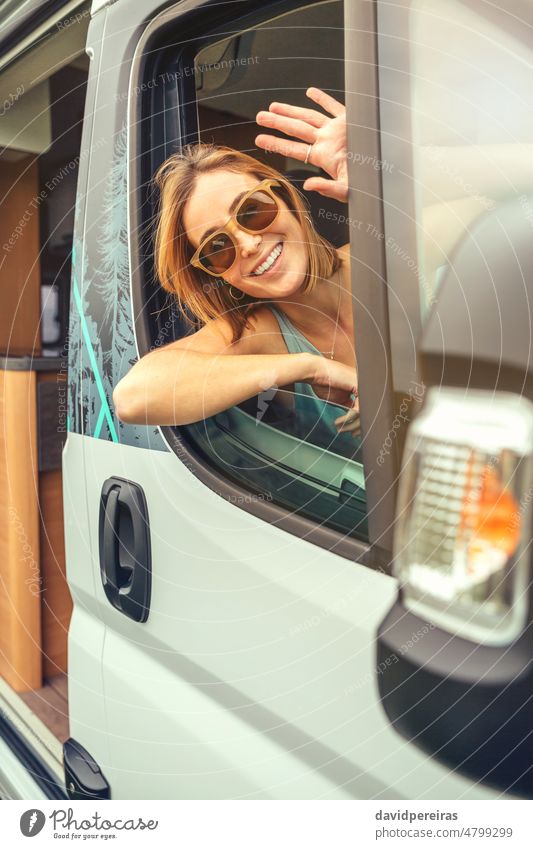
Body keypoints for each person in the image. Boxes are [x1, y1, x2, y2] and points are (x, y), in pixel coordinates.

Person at [113, 88, 359, 448]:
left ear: (286, 199)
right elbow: (134, 396)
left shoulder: (382, 255)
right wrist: (310, 367)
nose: (247, 244)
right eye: (218, 248)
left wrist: (393, 178)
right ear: (215, 274)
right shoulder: (264, 333)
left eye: (251, 210)